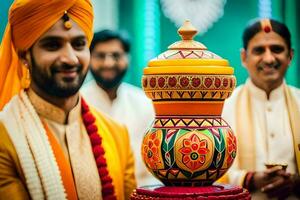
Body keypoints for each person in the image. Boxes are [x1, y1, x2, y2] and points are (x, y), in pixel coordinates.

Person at [0, 1, 136, 199]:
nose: (70, 58)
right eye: (53, 45)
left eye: (79, 44)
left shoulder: (117, 135)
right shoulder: (5, 139)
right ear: (24, 56)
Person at [222, 18, 300, 199]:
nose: (269, 58)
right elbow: (208, 173)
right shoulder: (224, 107)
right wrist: (248, 179)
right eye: (259, 50)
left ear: (290, 56)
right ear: (244, 57)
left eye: (277, 49)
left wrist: (295, 181)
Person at [81, 30, 159, 186]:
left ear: (127, 59)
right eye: (100, 56)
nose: (108, 63)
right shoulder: (77, 102)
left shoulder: (145, 103)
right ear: (89, 58)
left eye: (116, 56)